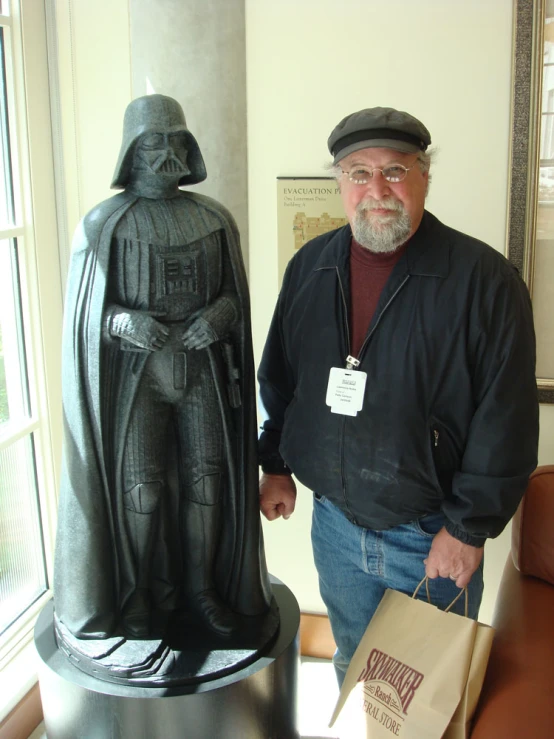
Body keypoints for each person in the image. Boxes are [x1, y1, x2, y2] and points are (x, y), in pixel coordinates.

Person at [257, 106, 539, 682]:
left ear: (425, 177)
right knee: (354, 666)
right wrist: (277, 464)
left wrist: (466, 531)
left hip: (431, 535)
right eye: (359, 173)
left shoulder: (484, 282)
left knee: (428, 687)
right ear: (339, 181)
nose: (376, 190)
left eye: (395, 171)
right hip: (334, 525)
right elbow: (284, 379)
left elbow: (505, 421)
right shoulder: (310, 267)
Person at [54, 94, 271, 643]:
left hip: (201, 371)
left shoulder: (213, 218)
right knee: (141, 489)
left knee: (208, 482)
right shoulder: (104, 224)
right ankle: (137, 596)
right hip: (136, 381)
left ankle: (202, 590)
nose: (167, 154)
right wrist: (121, 324)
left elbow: (233, 296)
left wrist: (219, 315)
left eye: (177, 141)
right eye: (155, 142)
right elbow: (84, 316)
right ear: (131, 149)